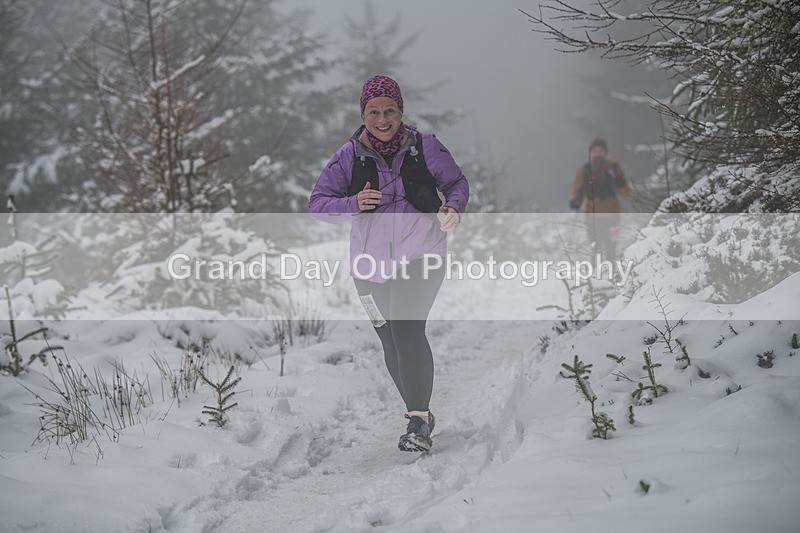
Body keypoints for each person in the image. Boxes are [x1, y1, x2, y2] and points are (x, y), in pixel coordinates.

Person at [308, 75, 469, 452]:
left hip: (422, 255)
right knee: (390, 340)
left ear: (401, 112)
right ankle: (422, 415)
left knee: (408, 332)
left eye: (390, 111)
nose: (383, 120)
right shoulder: (348, 156)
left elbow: (458, 183)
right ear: (363, 114)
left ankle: (416, 421)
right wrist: (352, 203)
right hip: (368, 268)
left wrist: (453, 208)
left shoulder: (425, 147)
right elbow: (317, 204)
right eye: (374, 112)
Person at [569, 137, 629, 259]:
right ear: (590, 153)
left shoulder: (614, 166)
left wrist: (618, 180)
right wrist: (576, 201)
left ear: (605, 153)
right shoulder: (584, 170)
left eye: (600, 151)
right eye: (595, 151)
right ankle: (596, 274)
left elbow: (625, 192)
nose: (597, 154)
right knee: (595, 247)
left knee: (612, 245)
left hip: (613, 214)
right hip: (592, 214)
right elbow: (577, 190)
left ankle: (611, 273)